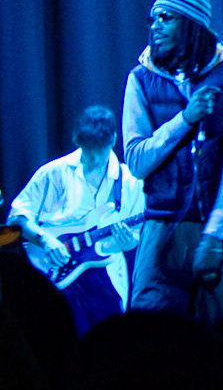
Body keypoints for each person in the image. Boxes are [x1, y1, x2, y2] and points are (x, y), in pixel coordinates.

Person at [122, 0, 223, 325]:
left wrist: (214, 235)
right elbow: (137, 161)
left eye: (165, 17)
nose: (155, 26)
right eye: (152, 18)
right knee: (152, 339)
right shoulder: (140, 80)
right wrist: (184, 120)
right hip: (163, 231)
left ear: (191, 23)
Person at [6, 105, 145, 336]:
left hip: (105, 281)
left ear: (113, 140)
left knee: (107, 342)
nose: (92, 159)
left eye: (98, 150)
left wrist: (128, 243)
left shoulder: (130, 183)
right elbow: (17, 217)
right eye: (87, 150)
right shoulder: (52, 173)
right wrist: (45, 240)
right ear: (76, 140)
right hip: (52, 275)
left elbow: (136, 236)